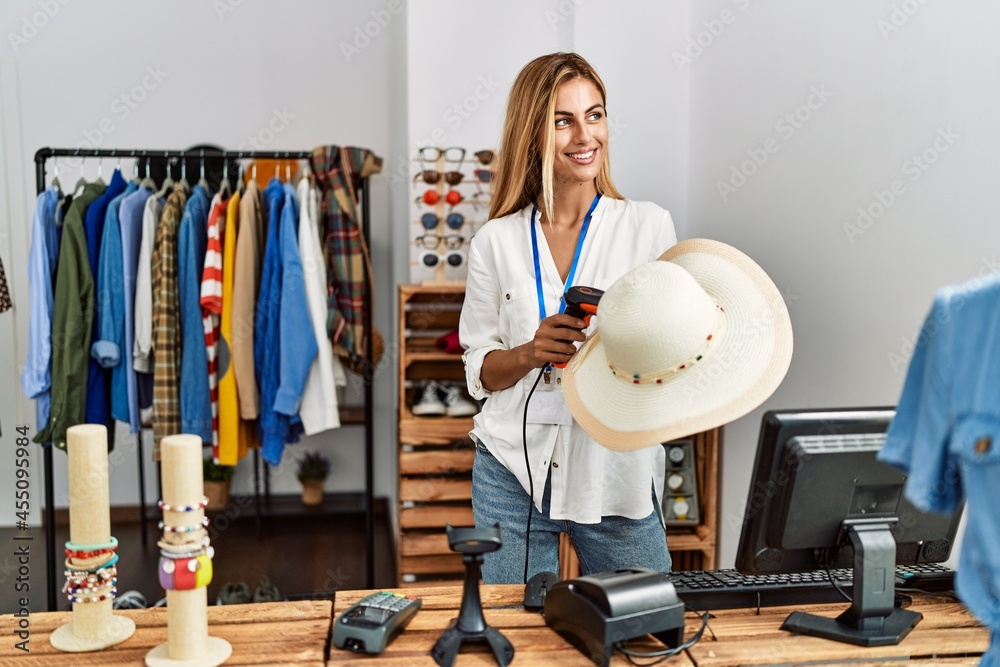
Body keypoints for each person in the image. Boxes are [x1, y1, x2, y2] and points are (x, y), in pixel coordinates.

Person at [459, 52, 679, 584]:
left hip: (614, 471)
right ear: (532, 133)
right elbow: (479, 371)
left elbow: (672, 358)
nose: (585, 135)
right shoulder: (495, 241)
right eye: (564, 120)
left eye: (595, 115)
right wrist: (530, 352)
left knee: (646, 628)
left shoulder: (648, 228)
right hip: (511, 469)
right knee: (513, 633)